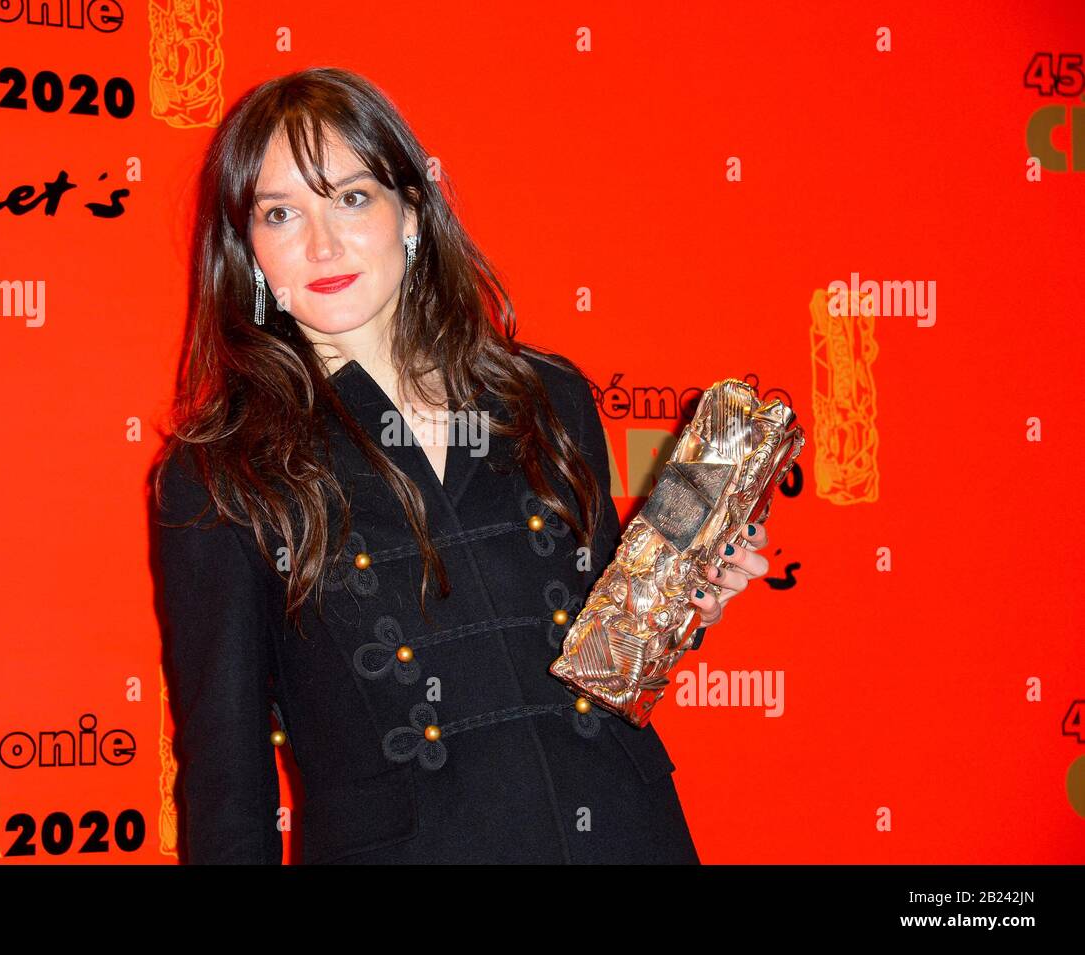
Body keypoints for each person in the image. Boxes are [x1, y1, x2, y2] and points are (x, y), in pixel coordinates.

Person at [151, 67, 772, 864]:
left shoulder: (547, 397)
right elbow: (227, 785)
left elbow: (595, 651)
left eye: (350, 197)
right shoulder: (220, 475)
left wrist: (683, 600)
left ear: (410, 210)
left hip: (624, 834)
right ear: (248, 249)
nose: (323, 243)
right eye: (280, 213)